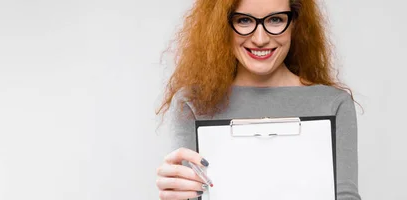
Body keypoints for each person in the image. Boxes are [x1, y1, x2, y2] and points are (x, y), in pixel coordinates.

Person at [155, 0, 361, 199]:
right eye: (244, 20)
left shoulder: (333, 104)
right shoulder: (192, 103)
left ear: (295, 23)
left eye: (276, 20)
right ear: (221, 25)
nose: (260, 38)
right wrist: (176, 195)